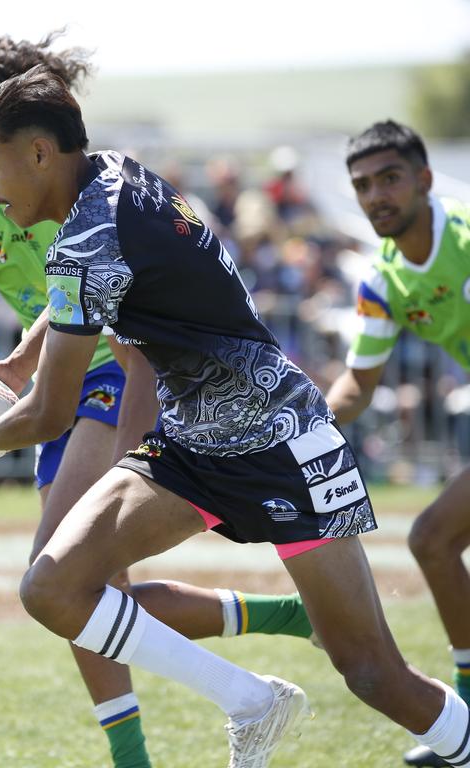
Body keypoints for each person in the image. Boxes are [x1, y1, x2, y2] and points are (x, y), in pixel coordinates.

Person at [0, 68, 470, 767]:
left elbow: (51, 413)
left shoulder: (85, 241)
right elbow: (89, 306)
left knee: (371, 673)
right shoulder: (115, 174)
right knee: (52, 587)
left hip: (277, 441)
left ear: (39, 154)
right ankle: (251, 700)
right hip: (191, 444)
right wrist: (23, 367)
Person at [0, 34, 315, 768]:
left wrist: (2, 405)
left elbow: (86, 273)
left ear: (36, 134)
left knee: (60, 576)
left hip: (114, 368)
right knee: (92, 590)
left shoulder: (75, 182)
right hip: (53, 382)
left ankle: (204, 722)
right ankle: (283, 625)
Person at [324, 120, 470, 768]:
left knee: (433, 538)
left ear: (424, 180)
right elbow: (359, 382)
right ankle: (464, 719)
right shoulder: (381, 278)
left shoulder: (465, 237)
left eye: (389, 178)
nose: (376, 195)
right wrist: (301, 432)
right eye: (362, 185)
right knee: (433, 540)